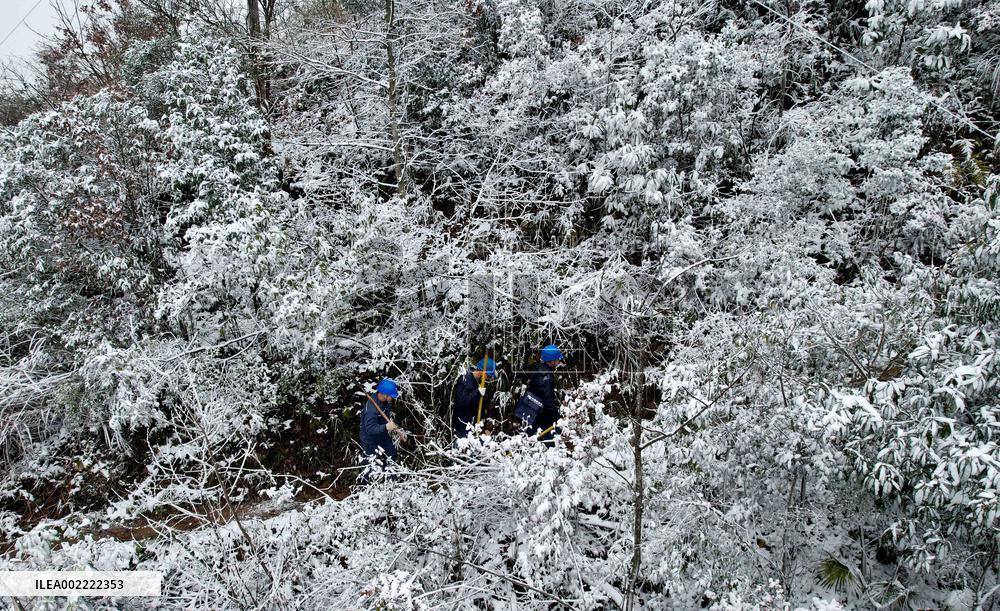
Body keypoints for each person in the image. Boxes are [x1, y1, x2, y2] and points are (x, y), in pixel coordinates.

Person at [360, 378, 406, 479]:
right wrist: (386, 427)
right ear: (384, 395)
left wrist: (393, 428)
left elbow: (385, 417)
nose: (392, 399)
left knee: (391, 454)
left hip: (383, 436)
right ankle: (364, 488)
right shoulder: (371, 410)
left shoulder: (385, 402)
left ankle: (390, 481)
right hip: (370, 441)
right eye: (391, 396)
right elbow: (370, 429)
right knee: (369, 465)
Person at [452, 357, 497, 438]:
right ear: (483, 371)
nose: (488, 378)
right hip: (462, 426)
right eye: (488, 375)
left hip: (472, 426)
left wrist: (484, 427)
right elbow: (461, 402)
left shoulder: (478, 383)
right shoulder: (465, 379)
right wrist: (477, 392)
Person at [526, 344, 563, 443]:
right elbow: (548, 399)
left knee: (529, 436)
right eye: (557, 359)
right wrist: (557, 416)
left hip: (532, 408)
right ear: (552, 360)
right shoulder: (547, 377)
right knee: (548, 436)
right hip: (539, 412)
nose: (559, 361)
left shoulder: (539, 367)